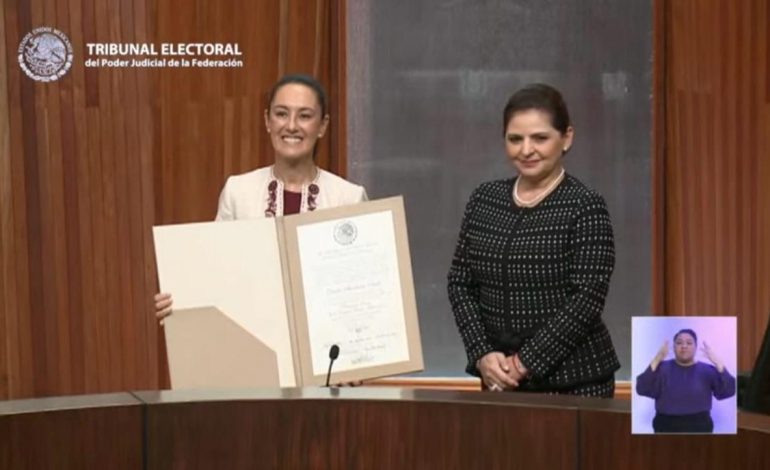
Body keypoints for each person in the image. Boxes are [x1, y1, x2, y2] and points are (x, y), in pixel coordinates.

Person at [447, 83, 620, 398]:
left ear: (566, 138)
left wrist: (524, 363)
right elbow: (460, 283)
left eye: (540, 138)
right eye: (515, 139)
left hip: (576, 385)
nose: (526, 150)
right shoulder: (484, 199)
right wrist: (482, 354)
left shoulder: (585, 205)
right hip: (498, 380)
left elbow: (586, 298)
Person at [155, 74, 367, 318]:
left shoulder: (350, 197)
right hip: (253, 340)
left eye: (305, 116)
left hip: (325, 344)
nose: (291, 125)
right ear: (267, 121)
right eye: (281, 113)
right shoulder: (238, 191)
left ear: (322, 126)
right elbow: (215, 272)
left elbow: (362, 287)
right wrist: (179, 302)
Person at [636, 329, 736, 433]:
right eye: (679, 343)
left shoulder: (707, 370)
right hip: (665, 426)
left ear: (695, 347)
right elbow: (642, 388)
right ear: (674, 347)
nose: (684, 346)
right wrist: (657, 358)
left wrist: (718, 363)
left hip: (700, 426)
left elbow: (728, 391)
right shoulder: (662, 368)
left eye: (689, 343)